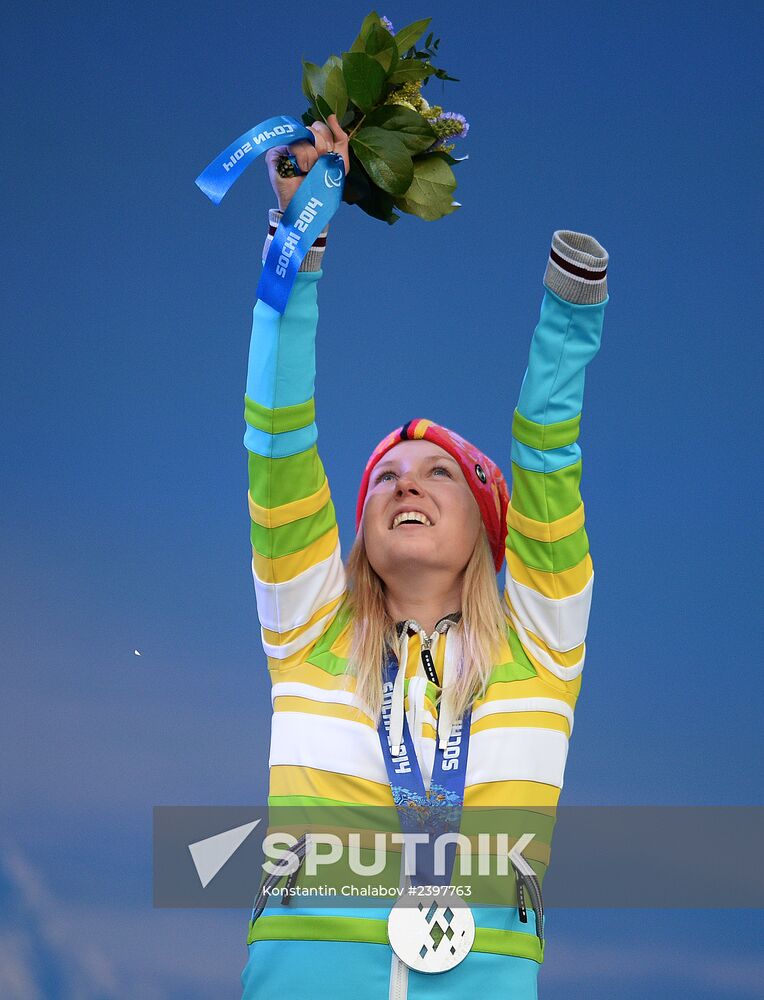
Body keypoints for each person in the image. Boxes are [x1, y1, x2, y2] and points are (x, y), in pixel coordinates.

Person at [240, 114, 609, 999]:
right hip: (305, 979)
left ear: (489, 527)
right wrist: (302, 238)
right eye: (385, 480)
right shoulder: (307, 627)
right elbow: (278, 437)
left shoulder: (541, 649)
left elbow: (547, 456)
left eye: (439, 473)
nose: (406, 485)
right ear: (356, 528)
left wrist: (569, 314)